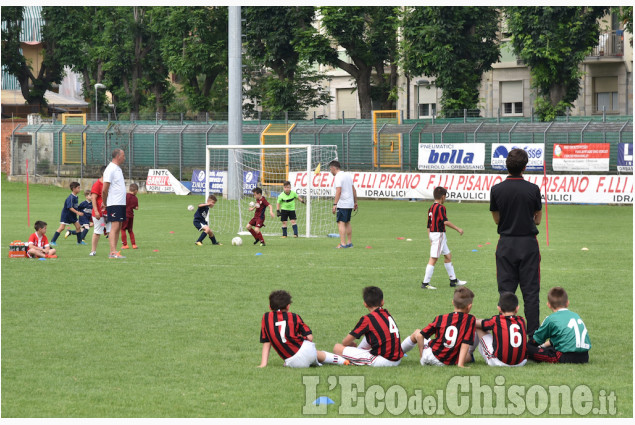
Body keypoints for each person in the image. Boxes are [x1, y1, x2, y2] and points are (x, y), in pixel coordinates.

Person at [490, 148, 542, 336]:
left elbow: (497, 219)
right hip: (528, 244)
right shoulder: (533, 189)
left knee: (506, 291)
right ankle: (533, 337)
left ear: (507, 166)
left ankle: (505, 334)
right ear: (525, 167)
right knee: (531, 293)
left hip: (506, 244)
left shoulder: (496, 190)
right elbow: (537, 220)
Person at [258, 290, 349, 368]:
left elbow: (267, 342)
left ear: (270, 307)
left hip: (293, 362)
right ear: (288, 306)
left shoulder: (265, 318)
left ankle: (303, 361)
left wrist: (263, 364)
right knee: (315, 353)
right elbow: (310, 337)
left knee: (297, 359)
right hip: (308, 351)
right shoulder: (294, 317)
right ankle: (342, 361)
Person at [401, 287, 475, 367]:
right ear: (469, 306)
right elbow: (465, 343)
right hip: (448, 361)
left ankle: (398, 352)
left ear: (453, 302)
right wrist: (460, 364)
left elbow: (420, 336)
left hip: (430, 356)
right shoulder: (470, 319)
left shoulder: (441, 318)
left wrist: (422, 355)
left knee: (417, 332)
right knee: (468, 356)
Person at [333, 286, 404, 367]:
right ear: (382, 302)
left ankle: (348, 361)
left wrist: (351, 344)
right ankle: (356, 355)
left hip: (383, 361)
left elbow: (345, 342)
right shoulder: (387, 313)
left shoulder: (367, 319)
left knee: (337, 348)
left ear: (365, 304)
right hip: (397, 359)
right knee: (369, 335)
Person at [527, 287, 591, 364]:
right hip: (585, 356)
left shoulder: (551, 319)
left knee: (527, 349)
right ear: (567, 303)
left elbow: (536, 339)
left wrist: (528, 347)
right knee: (550, 346)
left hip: (565, 356)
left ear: (549, 305)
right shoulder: (576, 315)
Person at [421, 186, 466, 290]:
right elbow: (445, 221)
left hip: (434, 234)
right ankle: (425, 283)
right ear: (442, 197)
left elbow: (428, 225)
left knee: (448, 256)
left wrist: (430, 238)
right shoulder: (441, 208)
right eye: (445, 197)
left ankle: (453, 280)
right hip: (438, 234)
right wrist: (457, 229)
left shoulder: (431, 208)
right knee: (433, 258)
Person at [473, 292, 527, 367]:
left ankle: (469, 354)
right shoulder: (522, 320)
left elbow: (477, 323)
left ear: (499, 309)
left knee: (479, 327)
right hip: (521, 362)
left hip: (500, 362)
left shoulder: (496, 320)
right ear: (517, 308)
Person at [102, 148, 127, 259]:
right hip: (114, 203)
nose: (124, 158)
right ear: (118, 156)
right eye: (123, 155)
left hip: (120, 203)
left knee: (119, 226)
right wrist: (104, 202)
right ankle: (112, 252)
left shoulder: (118, 169)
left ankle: (115, 251)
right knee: (115, 226)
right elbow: (104, 189)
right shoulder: (110, 169)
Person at [329, 160, 357, 248]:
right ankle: (349, 243)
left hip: (343, 204)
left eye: (330, 169)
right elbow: (354, 189)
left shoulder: (338, 177)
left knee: (341, 223)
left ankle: (342, 243)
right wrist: (355, 202)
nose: (330, 171)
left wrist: (334, 204)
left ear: (333, 168)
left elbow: (338, 191)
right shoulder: (347, 175)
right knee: (347, 222)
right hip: (350, 203)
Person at [50, 181, 85, 246]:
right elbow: (70, 207)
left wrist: (79, 210)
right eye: (78, 188)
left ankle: (79, 242)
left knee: (78, 227)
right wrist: (78, 213)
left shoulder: (76, 197)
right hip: (66, 215)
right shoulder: (71, 197)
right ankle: (52, 241)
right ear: (74, 189)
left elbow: (75, 207)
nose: (79, 189)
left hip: (72, 215)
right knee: (62, 228)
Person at [89, 166, 110, 257]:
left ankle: (112, 251)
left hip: (109, 212)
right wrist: (96, 211)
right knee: (98, 232)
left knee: (110, 231)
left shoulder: (109, 184)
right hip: (99, 214)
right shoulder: (97, 184)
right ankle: (93, 251)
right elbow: (93, 198)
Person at [121, 183, 139, 249]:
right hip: (131, 215)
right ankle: (134, 244)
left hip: (124, 215)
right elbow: (136, 208)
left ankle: (125, 245)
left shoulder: (125, 196)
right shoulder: (135, 198)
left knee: (123, 229)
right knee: (130, 230)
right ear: (136, 191)